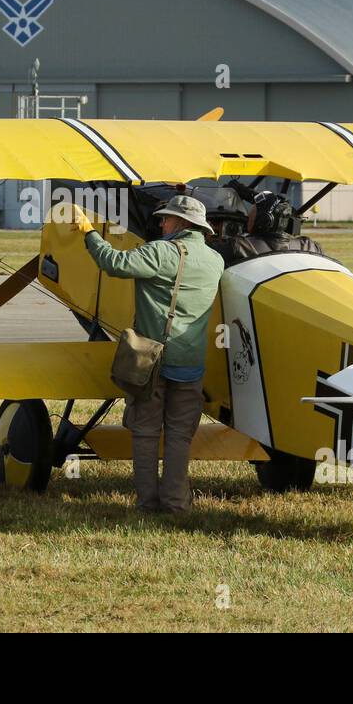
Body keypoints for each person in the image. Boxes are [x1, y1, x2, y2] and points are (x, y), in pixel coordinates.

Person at [72, 194, 224, 513]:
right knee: (180, 437)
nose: (161, 223)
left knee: (145, 433)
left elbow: (113, 264)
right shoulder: (215, 261)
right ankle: (176, 504)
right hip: (192, 363)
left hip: (152, 361)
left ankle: (148, 503)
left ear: (180, 223)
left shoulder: (160, 252)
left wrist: (89, 233)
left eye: (166, 218)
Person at [212, 190, 323, 267]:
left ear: (264, 220)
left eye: (253, 213)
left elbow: (206, 259)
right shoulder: (309, 246)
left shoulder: (239, 246)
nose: (249, 216)